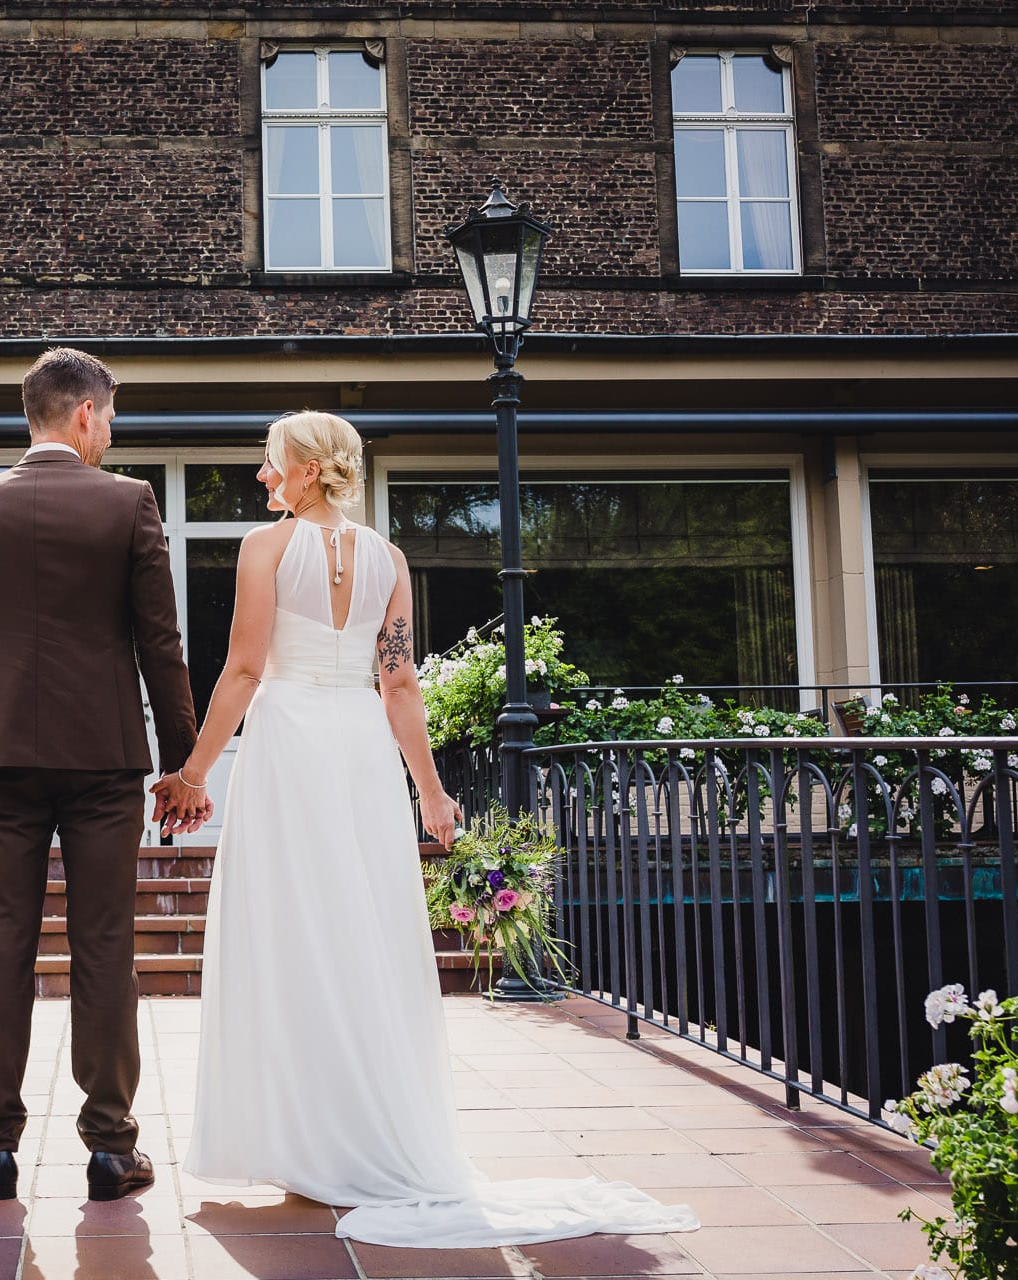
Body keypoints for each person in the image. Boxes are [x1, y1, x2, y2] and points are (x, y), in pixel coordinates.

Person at [176, 410, 700, 1247]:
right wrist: (430, 792)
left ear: (307, 469)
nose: (262, 477)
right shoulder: (388, 559)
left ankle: (306, 1136)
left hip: (288, 751)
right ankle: (366, 1127)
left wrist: (196, 770)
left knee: (288, 932)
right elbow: (400, 683)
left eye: (271, 463)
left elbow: (243, 668)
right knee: (364, 935)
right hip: (357, 751)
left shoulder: (264, 549)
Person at [0, 347, 210, 1203]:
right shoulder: (128, 504)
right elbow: (162, 642)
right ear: (84, 414)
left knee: (0, 946)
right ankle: (113, 1147)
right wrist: (182, 763)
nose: (111, 432)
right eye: (110, 416)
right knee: (105, 947)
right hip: (104, 760)